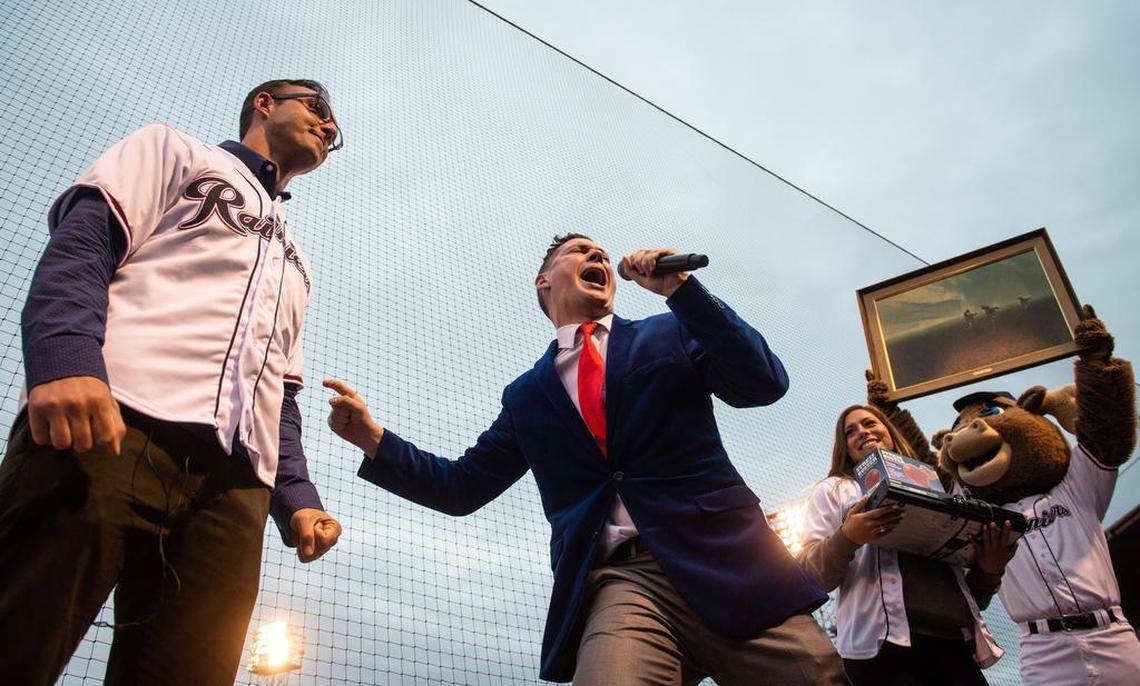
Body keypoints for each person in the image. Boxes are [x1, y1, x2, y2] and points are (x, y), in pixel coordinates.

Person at [325, 235, 847, 685]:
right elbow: (461, 487)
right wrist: (375, 439)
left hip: (729, 560)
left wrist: (681, 291)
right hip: (623, 582)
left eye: (600, 250)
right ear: (543, 281)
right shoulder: (527, 395)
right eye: (579, 251)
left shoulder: (671, 330)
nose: (596, 253)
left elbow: (765, 384)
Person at [0, 79, 344, 685]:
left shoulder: (298, 259)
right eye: (316, 109)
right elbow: (84, 245)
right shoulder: (175, 151)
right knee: (18, 636)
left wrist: (297, 497)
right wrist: (67, 360)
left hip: (235, 488)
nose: (329, 126)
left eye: (334, 127)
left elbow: (279, 392)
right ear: (265, 104)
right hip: (111, 424)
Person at [797, 380, 1016, 686]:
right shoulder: (834, 489)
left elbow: (971, 596)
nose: (862, 431)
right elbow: (810, 576)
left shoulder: (940, 487)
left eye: (870, 422)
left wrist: (990, 572)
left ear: (889, 431)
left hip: (952, 644)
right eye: (850, 431)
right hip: (877, 652)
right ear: (843, 446)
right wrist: (849, 537)